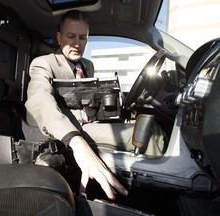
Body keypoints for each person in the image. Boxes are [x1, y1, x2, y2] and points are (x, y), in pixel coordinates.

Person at [25, 10, 165, 200]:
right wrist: (74, 139)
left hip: (92, 124)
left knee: (143, 125)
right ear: (59, 38)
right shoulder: (44, 63)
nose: (76, 44)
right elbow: (39, 98)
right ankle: (156, 196)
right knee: (152, 132)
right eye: (70, 36)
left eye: (83, 38)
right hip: (70, 131)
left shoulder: (88, 65)